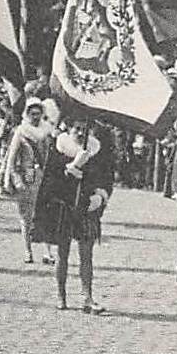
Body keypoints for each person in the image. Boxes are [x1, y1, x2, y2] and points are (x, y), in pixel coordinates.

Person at [36, 118, 115, 314]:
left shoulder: (96, 151)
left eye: (84, 129)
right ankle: (61, 295)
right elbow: (50, 179)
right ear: (69, 128)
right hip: (64, 207)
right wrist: (70, 168)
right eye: (76, 128)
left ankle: (87, 297)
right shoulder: (59, 148)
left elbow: (106, 177)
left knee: (86, 255)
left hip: (86, 208)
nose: (80, 133)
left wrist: (101, 195)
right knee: (63, 254)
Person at [0, 97, 55, 265]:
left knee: (46, 214)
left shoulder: (47, 131)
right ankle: (28, 250)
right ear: (27, 113)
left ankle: (47, 252)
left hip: (45, 175)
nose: (35, 117)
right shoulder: (22, 132)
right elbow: (11, 157)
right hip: (28, 174)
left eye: (38, 113)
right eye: (32, 113)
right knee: (26, 216)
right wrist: (10, 179)